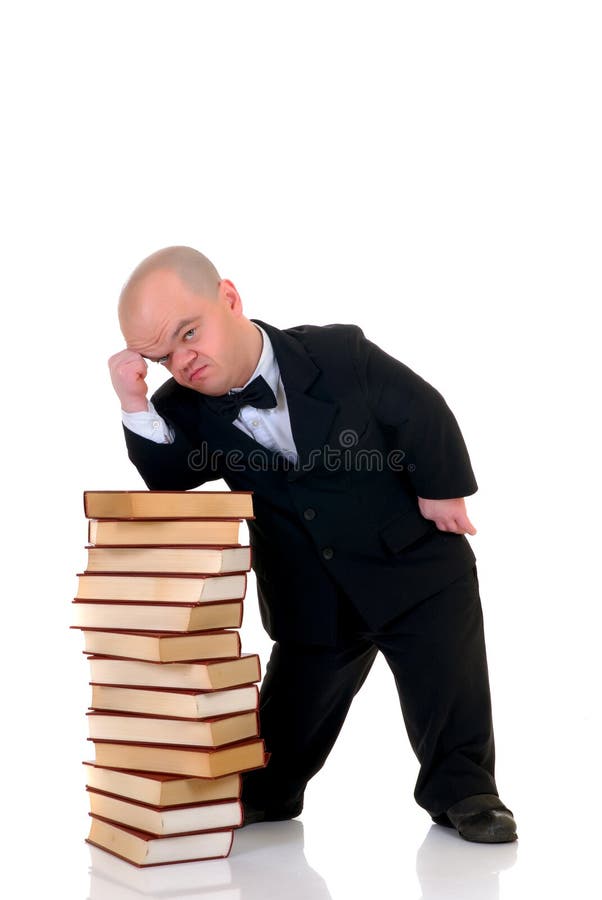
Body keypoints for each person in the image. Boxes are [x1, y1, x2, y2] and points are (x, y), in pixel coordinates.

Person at [109, 245, 518, 843]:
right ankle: (269, 791)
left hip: (412, 564)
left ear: (228, 297)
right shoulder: (183, 406)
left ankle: (466, 791)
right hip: (310, 588)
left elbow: (420, 409)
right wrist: (134, 401)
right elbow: (169, 477)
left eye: (189, 333)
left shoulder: (336, 353)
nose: (183, 360)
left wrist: (442, 491)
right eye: (162, 356)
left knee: (449, 684)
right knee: (291, 711)